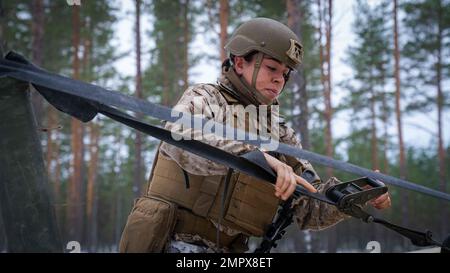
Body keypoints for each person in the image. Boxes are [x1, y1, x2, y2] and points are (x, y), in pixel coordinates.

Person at [119, 17, 391, 253]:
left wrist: (353, 195)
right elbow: (181, 140)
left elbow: (309, 208)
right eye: (272, 68)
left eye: (285, 74)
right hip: (171, 241)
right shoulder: (204, 98)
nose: (279, 80)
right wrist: (255, 157)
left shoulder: (278, 131)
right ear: (240, 63)